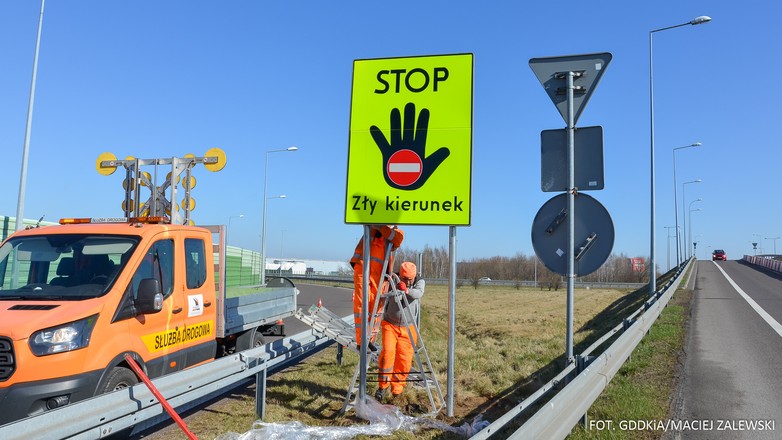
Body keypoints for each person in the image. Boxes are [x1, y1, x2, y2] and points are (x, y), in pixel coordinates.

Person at [375, 261, 424, 402]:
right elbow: (384, 293)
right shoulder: (392, 280)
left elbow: (419, 293)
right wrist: (395, 288)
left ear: (414, 277)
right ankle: (382, 387)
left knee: (404, 359)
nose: (407, 282)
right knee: (388, 354)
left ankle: (397, 390)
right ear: (400, 275)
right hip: (390, 324)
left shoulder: (419, 282)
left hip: (409, 328)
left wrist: (407, 290)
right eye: (404, 279)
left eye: (410, 279)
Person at [349, 225, 404, 348]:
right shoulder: (371, 223)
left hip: (380, 274)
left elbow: (397, 240)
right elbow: (370, 226)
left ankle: (370, 339)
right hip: (363, 267)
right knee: (362, 304)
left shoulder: (396, 231)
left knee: (376, 307)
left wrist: (382, 227)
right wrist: (379, 226)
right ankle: (361, 341)